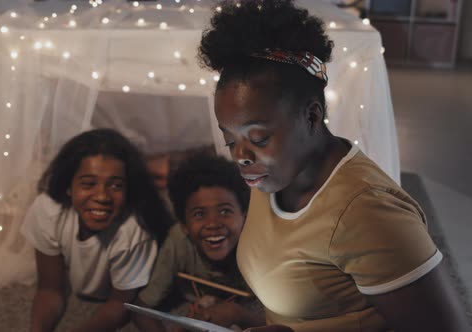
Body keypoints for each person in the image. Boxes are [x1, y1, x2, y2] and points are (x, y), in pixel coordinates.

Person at [198, 1, 470, 331]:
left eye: (257, 137)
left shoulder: (366, 212)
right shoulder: (273, 175)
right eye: (230, 140)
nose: (240, 155)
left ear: (311, 116)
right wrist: (247, 315)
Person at [21, 128, 173, 332]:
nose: (102, 196)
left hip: (129, 292)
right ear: (69, 186)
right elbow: (50, 289)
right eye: (88, 184)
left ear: (128, 190)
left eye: (116, 186)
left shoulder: (133, 231)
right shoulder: (47, 210)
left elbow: (122, 305)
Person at [133, 154, 264, 331]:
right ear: (184, 225)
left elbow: (286, 321)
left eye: (225, 211)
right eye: (199, 214)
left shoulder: (257, 245)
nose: (213, 224)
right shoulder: (178, 242)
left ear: (244, 217)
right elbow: (142, 309)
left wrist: (237, 313)